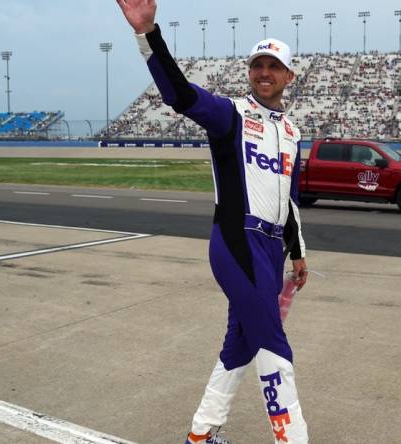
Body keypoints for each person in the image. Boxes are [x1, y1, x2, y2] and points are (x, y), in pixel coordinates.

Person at [116, 1, 310, 442]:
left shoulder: (294, 134)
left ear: (288, 76)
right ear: (250, 72)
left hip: (273, 248)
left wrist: (297, 255)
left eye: (274, 66)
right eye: (258, 65)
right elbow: (179, 94)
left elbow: (290, 201)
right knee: (274, 348)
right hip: (235, 241)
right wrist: (148, 34)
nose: (265, 72)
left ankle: (201, 436)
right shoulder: (230, 115)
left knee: (239, 346)